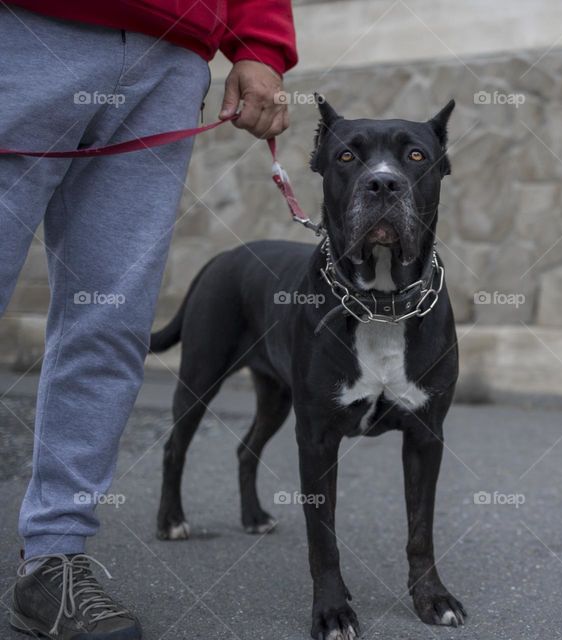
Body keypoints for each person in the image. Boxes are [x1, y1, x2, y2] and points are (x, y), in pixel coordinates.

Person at [0, 1, 297, 638]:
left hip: (168, 54)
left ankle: (54, 557)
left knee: (109, 322)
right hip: (25, 30)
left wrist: (261, 44)